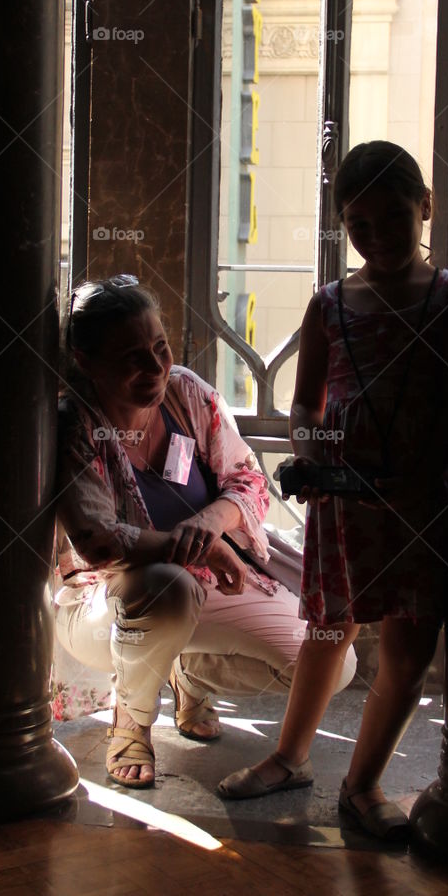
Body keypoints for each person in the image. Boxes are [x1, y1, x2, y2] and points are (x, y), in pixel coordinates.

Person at [218, 141, 448, 840]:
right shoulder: (329, 305)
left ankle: (362, 785)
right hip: (344, 502)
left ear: (425, 209)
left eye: (393, 217)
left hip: (420, 506)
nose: (377, 237)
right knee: (328, 629)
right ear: (341, 227)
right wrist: (313, 453)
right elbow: (303, 406)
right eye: (358, 224)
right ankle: (289, 757)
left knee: (409, 653)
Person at [52, 275, 356, 789]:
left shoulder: (185, 393)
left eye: (160, 347)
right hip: (105, 602)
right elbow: (97, 539)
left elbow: (250, 479)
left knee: (332, 659)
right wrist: (200, 549)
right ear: (86, 361)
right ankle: (131, 722)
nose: (155, 367)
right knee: (170, 586)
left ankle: (186, 674)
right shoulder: (75, 423)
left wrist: (211, 523)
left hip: (214, 583)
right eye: (132, 357)